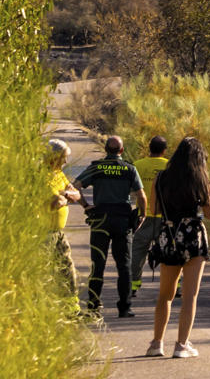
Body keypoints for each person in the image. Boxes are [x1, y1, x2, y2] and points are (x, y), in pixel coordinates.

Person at [146, 136, 210, 359]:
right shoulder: (199, 179)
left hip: (168, 236)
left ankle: (156, 344)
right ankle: (181, 345)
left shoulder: (161, 178)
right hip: (192, 236)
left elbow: (154, 208)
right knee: (189, 296)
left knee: (165, 295)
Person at [75, 134, 145, 318]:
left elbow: (75, 186)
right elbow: (142, 197)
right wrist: (142, 215)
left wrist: (86, 206)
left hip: (100, 219)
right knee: (124, 266)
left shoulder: (96, 167)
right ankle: (124, 307)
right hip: (122, 221)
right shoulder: (129, 169)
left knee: (98, 264)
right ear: (121, 151)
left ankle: (93, 306)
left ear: (106, 149)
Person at [127, 135, 169, 299]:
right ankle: (176, 285)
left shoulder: (138, 165)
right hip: (165, 216)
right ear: (164, 150)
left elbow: (131, 191)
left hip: (143, 216)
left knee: (137, 252)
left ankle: (133, 285)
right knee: (169, 252)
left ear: (149, 148)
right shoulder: (169, 167)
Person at [45, 140, 82, 300]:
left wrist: (65, 194)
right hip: (44, 234)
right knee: (46, 271)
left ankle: (71, 306)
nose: (66, 162)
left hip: (58, 232)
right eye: (63, 157)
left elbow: (77, 193)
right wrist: (67, 196)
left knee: (67, 268)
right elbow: (56, 203)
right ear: (54, 156)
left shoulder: (58, 173)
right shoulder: (43, 176)